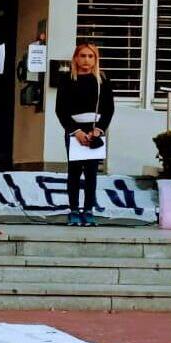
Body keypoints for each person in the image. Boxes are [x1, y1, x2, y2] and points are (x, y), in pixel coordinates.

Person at [55, 42, 115, 226]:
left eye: (90, 56)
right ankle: (73, 210)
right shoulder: (67, 80)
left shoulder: (102, 80)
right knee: (74, 172)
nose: (86, 60)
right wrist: (76, 131)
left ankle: (88, 210)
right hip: (75, 130)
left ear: (95, 59)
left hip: (95, 129)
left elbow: (109, 108)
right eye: (83, 55)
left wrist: (98, 130)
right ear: (75, 58)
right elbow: (61, 109)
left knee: (91, 173)